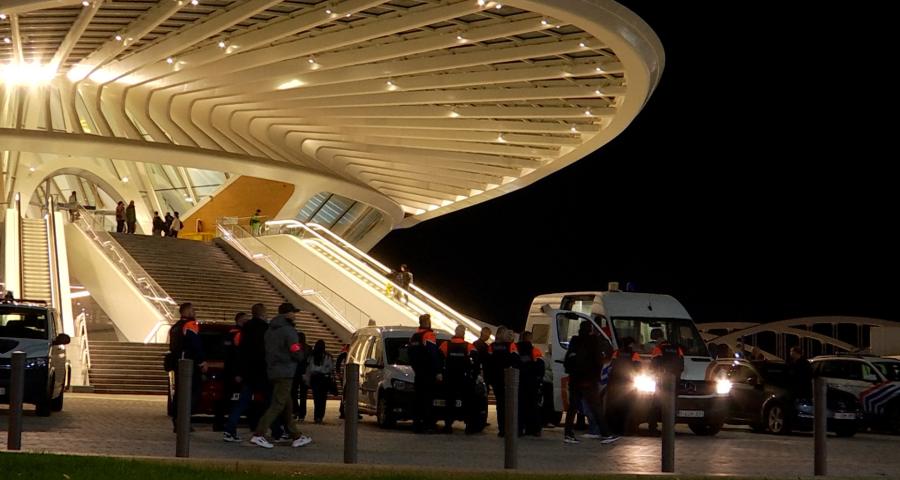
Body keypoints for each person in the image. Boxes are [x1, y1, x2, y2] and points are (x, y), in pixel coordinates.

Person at [250, 303, 312, 449]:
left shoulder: (270, 330)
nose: (294, 315)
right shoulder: (289, 331)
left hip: (273, 370)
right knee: (278, 405)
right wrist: (301, 355)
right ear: (287, 314)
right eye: (293, 313)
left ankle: (296, 435)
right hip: (286, 371)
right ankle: (259, 434)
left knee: (287, 404)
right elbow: (295, 350)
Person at [563, 321, 617, 444]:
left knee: (573, 407)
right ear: (591, 329)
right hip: (589, 379)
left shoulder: (574, 341)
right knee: (596, 407)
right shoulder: (593, 341)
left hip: (575, 378)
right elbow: (598, 359)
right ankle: (605, 434)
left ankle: (568, 434)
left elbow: (568, 359)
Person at [224, 304, 269, 443]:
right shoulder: (265, 329)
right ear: (263, 314)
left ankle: (229, 429)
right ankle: (271, 431)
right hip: (261, 370)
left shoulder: (244, 330)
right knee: (270, 402)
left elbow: (240, 352)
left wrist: (239, 371)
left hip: (247, 371)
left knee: (242, 402)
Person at [168, 303, 207, 431]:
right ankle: (184, 420)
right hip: (189, 364)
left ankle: (177, 420)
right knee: (193, 393)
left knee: (180, 394)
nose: (194, 312)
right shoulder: (190, 325)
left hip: (178, 364)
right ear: (187, 311)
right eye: (193, 310)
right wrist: (202, 361)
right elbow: (196, 344)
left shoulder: (174, 327)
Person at [408, 313, 442, 433]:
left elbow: (410, 355)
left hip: (418, 372)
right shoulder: (428, 335)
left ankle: (416, 424)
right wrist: (438, 371)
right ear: (427, 322)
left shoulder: (414, 336)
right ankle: (428, 425)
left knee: (418, 399)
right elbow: (433, 354)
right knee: (428, 399)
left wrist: (416, 368)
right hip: (428, 372)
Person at [439, 325, 476, 433]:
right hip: (464, 379)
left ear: (455, 332)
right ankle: (468, 426)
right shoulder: (469, 346)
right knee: (467, 402)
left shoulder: (445, 345)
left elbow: (439, 359)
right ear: (463, 333)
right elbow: (475, 361)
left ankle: (448, 426)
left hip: (449, 378)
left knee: (449, 402)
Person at [648, 330, 684, 434]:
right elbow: (682, 365)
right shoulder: (678, 349)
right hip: (675, 381)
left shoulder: (658, 349)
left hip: (662, 381)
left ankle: (653, 428)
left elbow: (653, 365)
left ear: (659, 341)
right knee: (672, 405)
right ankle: (669, 428)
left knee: (655, 405)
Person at [217, 312, 247, 431]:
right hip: (236, 371)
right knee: (239, 398)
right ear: (240, 320)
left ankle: (219, 422)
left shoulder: (228, 333)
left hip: (227, 369)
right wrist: (239, 373)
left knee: (225, 397)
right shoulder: (239, 334)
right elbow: (238, 355)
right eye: (246, 320)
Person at [488, 326, 519, 437]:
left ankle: (502, 429)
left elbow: (488, 363)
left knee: (500, 405)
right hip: (508, 380)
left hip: (496, 380)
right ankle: (509, 429)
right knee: (509, 405)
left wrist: (490, 379)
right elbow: (516, 361)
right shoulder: (511, 346)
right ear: (501, 334)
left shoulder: (491, 347)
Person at [516, 330, 545, 436]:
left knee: (519, 406)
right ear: (529, 338)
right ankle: (533, 429)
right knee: (533, 406)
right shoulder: (535, 350)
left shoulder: (515, 348)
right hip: (532, 382)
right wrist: (539, 379)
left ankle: (519, 428)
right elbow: (541, 366)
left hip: (518, 381)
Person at [306, 340, 335, 424]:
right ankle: (320, 416)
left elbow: (309, 368)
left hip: (315, 378)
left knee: (316, 398)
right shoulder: (327, 356)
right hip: (324, 378)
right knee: (323, 398)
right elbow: (330, 368)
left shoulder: (311, 356)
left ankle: (316, 416)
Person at [292, 331, 310, 423]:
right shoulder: (309, 348)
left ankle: (296, 410)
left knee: (293, 393)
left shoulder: (295, 347)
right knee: (303, 395)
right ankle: (302, 414)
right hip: (305, 373)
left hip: (295, 373)